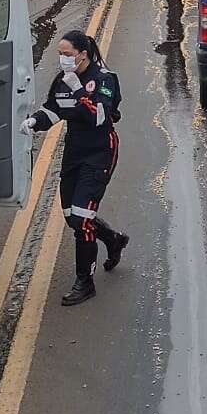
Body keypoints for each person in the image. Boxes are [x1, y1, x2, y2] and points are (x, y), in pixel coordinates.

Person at [23, 30, 128, 306]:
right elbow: (55, 110)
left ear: (83, 54)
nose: (63, 60)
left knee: (82, 218)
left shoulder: (105, 80)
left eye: (67, 55)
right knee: (72, 215)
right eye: (60, 54)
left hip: (100, 151)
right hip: (74, 151)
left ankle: (85, 281)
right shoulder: (62, 81)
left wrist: (79, 91)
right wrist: (35, 121)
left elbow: (99, 118)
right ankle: (112, 239)